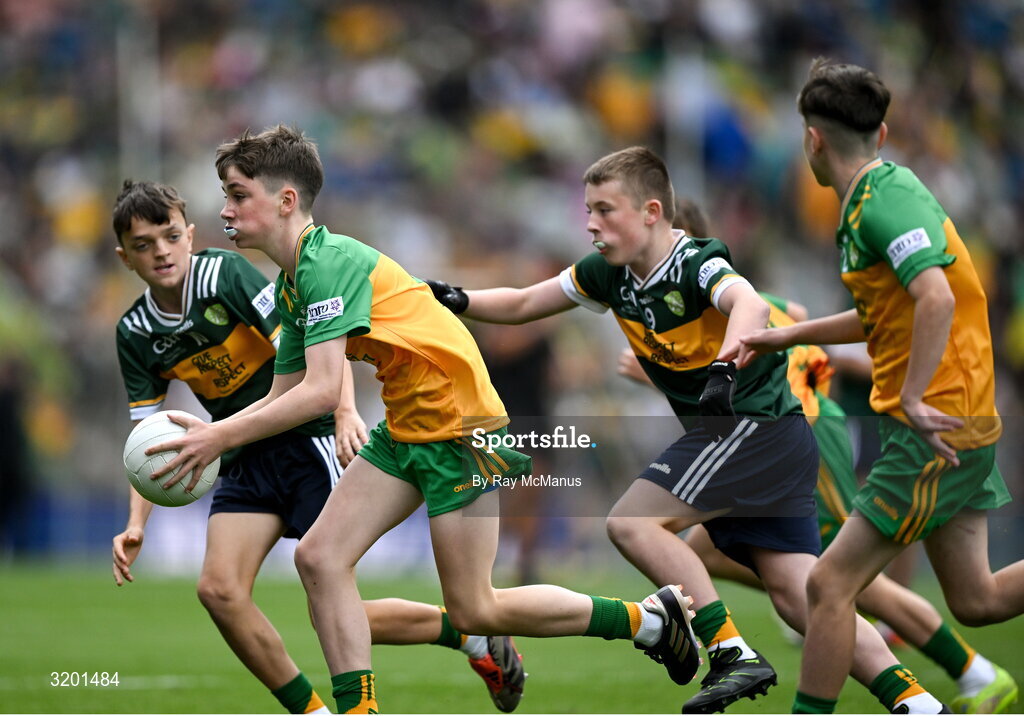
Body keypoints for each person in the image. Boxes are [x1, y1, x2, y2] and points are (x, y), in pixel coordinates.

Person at [145, 127, 704, 715]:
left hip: (461, 428)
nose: (225, 210)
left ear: (286, 201)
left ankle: (646, 620)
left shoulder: (326, 264)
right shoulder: (293, 283)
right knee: (318, 558)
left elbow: (317, 393)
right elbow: (282, 393)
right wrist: (216, 437)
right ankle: (359, 710)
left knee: (475, 610)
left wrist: (218, 437)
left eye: (237, 195)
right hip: (408, 424)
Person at [427, 145, 947, 714]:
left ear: (652, 211)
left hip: (753, 429)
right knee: (803, 598)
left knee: (632, 522)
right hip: (771, 438)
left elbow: (748, 302)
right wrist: (456, 298)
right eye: (588, 211)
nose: (591, 223)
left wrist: (725, 367)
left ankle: (730, 652)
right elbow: (528, 300)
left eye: (606, 209)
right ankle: (917, 702)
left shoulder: (693, 261)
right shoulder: (608, 273)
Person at [110, 180, 527, 714]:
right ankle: (315, 712)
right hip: (238, 451)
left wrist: (345, 411)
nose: (161, 251)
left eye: (169, 236)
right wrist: (137, 522)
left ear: (189, 235)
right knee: (219, 590)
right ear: (125, 256)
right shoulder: (135, 331)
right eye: (143, 244)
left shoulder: (224, 275)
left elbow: (315, 343)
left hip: (305, 440)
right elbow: (147, 442)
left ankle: (470, 634)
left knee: (329, 595)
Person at [739, 58, 1024, 715]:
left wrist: (917, 397)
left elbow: (934, 297)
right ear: (883, 133)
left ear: (812, 140)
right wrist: (787, 337)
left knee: (828, 584)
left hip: (937, 423)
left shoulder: (879, 205)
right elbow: (889, 308)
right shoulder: (881, 192)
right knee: (976, 600)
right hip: (952, 416)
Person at [619, 295, 1018, 713]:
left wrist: (652, 377)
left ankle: (973, 671)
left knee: (843, 580)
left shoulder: (712, 292)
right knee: (721, 558)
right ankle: (806, 609)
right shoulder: (735, 296)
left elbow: (741, 373)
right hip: (777, 436)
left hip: (801, 431)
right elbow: (799, 311)